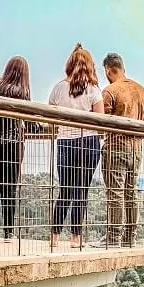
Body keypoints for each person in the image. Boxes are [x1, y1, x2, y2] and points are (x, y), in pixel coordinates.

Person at [48, 43, 103, 249]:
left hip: (64, 142)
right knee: (81, 191)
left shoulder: (58, 88)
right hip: (88, 142)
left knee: (65, 190)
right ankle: (76, 237)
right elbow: (100, 119)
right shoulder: (93, 90)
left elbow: (50, 116)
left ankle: (54, 235)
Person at [100, 53, 144, 248]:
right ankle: (130, 237)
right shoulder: (142, 91)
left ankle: (113, 238)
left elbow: (100, 125)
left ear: (108, 69)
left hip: (115, 147)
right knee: (131, 193)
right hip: (136, 149)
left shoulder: (110, 91)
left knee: (115, 193)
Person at [0, 56, 31, 242]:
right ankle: (8, 232)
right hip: (12, 145)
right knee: (9, 188)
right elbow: (29, 119)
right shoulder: (22, 92)